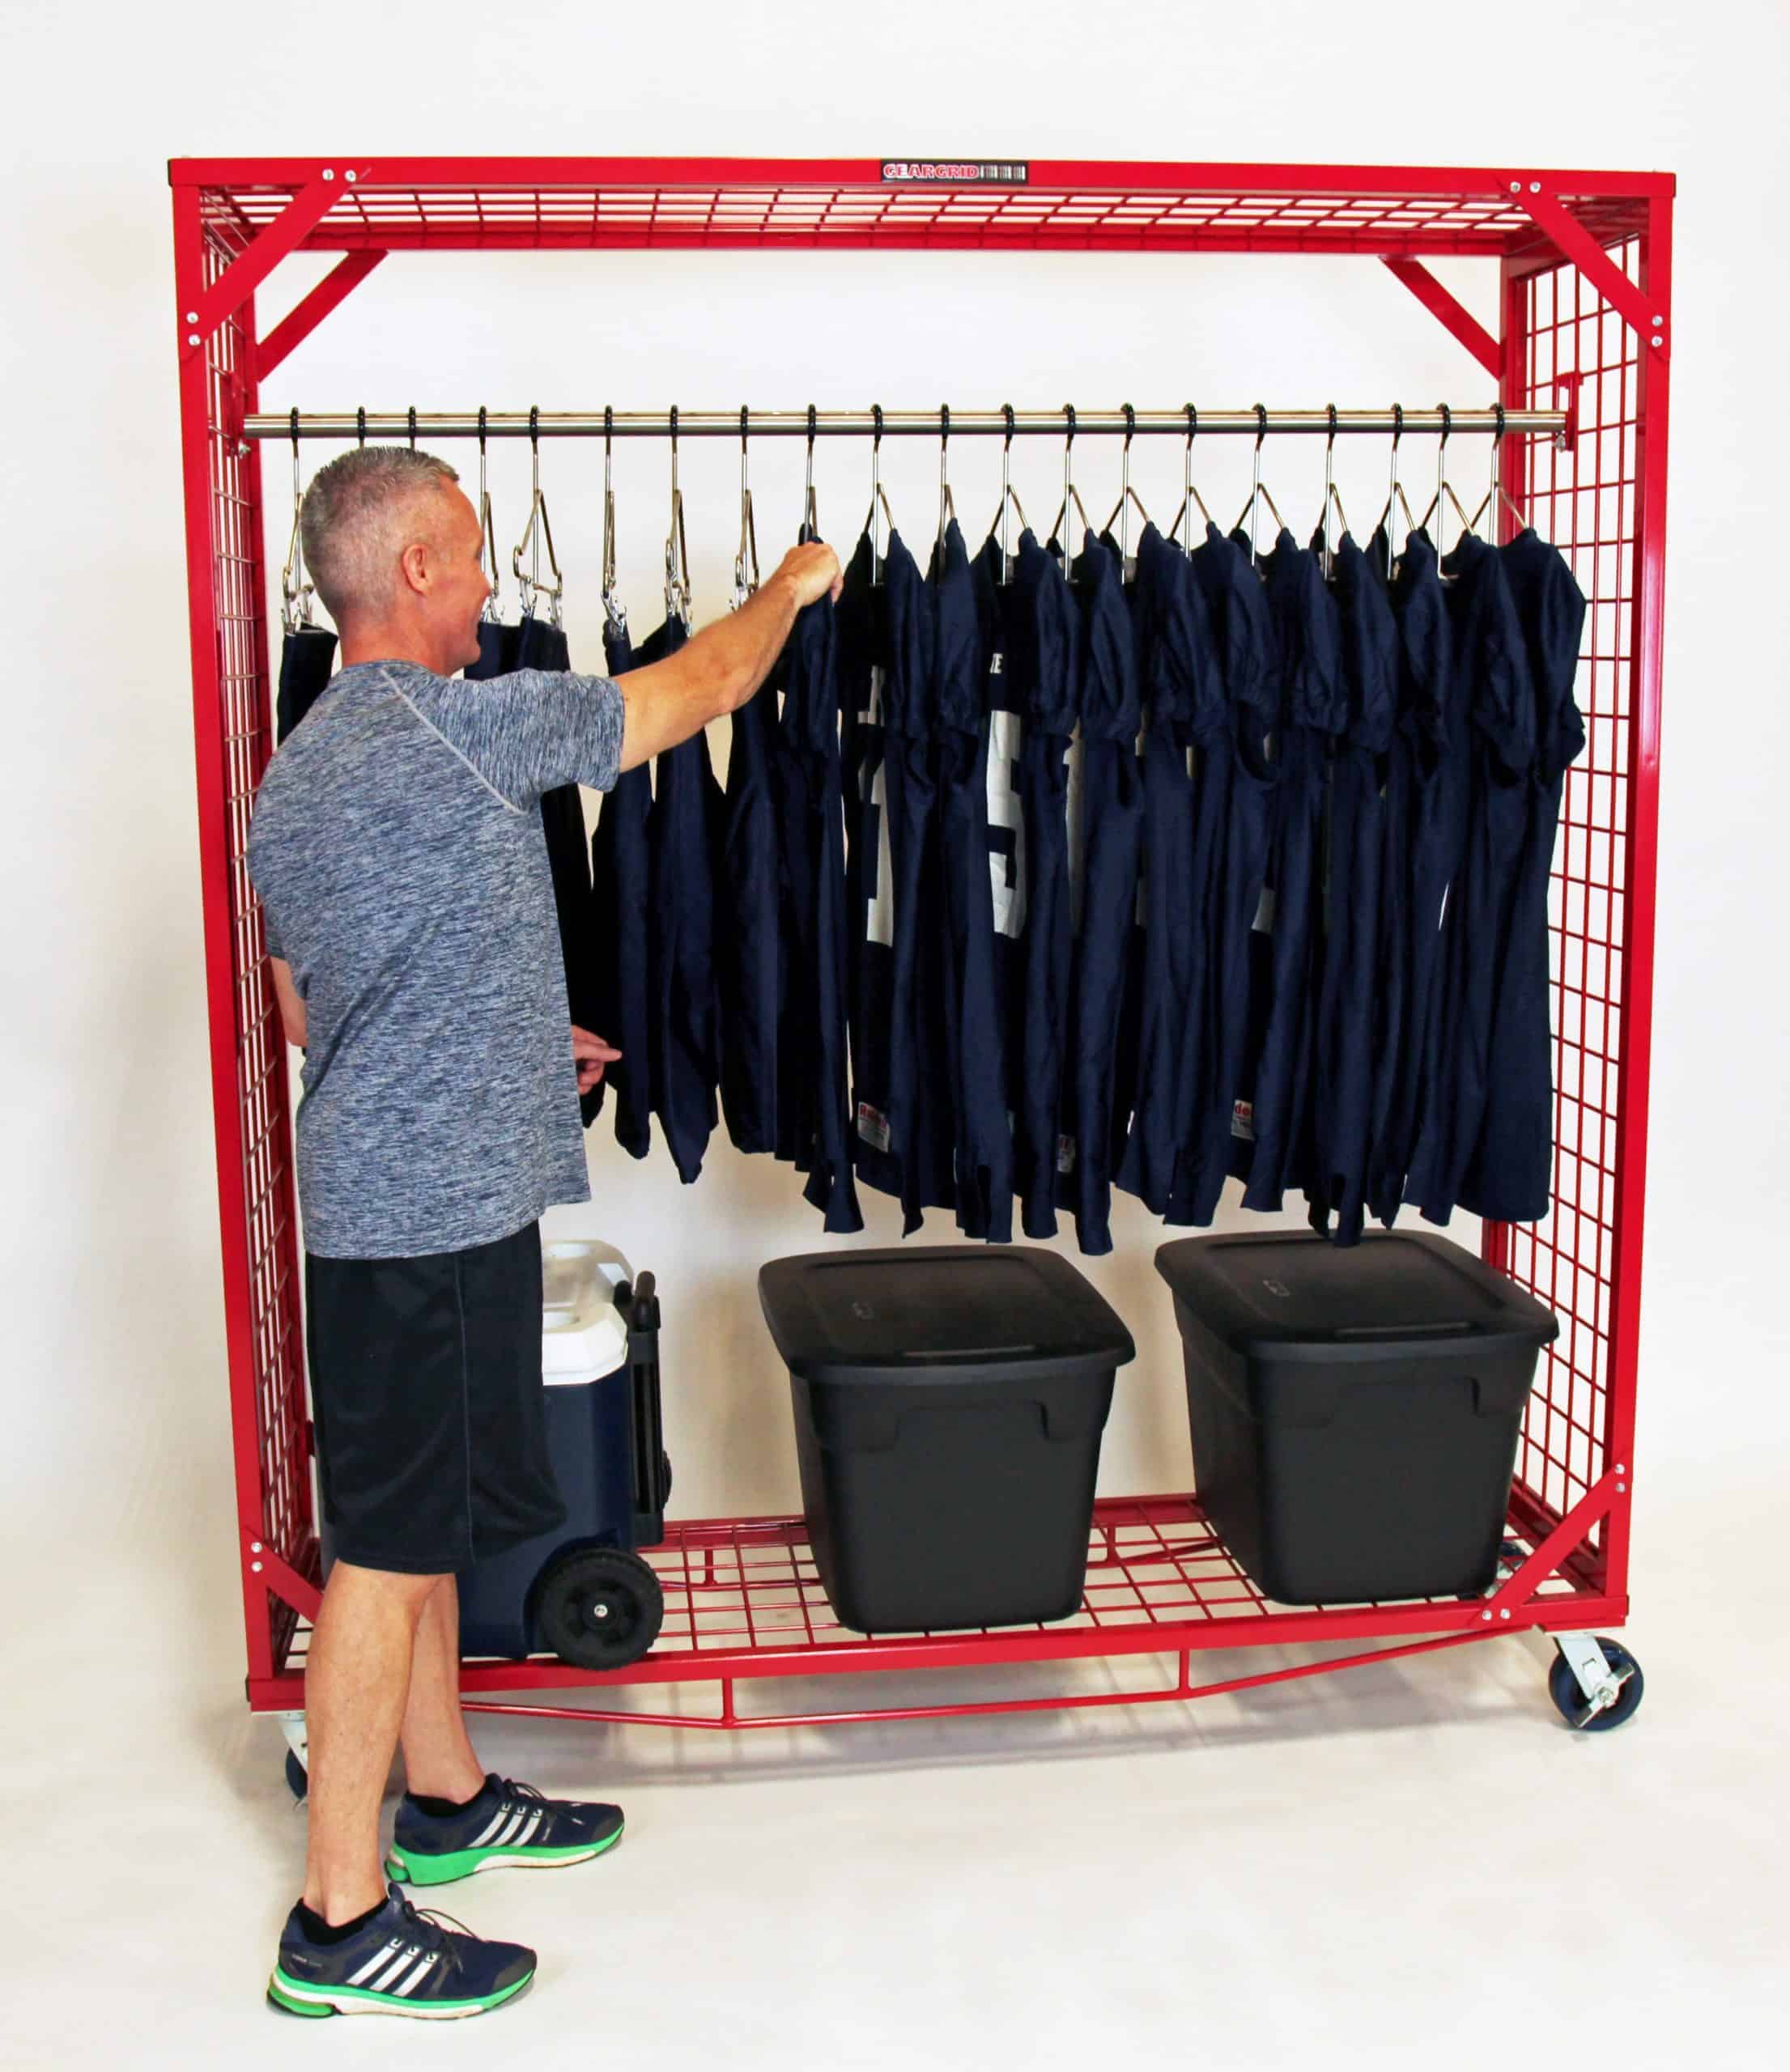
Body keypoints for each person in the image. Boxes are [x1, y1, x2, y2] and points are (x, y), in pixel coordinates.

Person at [246, 444, 840, 2020]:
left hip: (407, 1199)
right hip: (425, 1224)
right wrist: (787, 589)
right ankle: (337, 1911)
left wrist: (520, 1038)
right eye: (476, 559)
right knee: (381, 1550)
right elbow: (690, 688)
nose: (494, 589)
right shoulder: (455, 729)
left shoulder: (297, 773)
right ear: (417, 573)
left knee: (421, 1519)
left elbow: (321, 1001)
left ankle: (441, 1797)